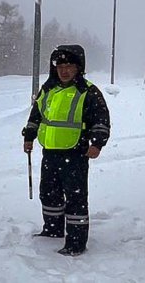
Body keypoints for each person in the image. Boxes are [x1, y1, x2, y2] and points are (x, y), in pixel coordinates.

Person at [22, 44, 110, 256]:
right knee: (49, 194)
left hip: (76, 153)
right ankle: (52, 230)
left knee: (75, 198)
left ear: (78, 68)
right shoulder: (48, 88)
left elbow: (101, 119)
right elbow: (36, 115)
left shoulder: (87, 91)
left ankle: (76, 243)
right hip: (50, 152)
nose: (64, 70)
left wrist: (97, 143)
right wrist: (29, 136)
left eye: (69, 65)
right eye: (60, 65)